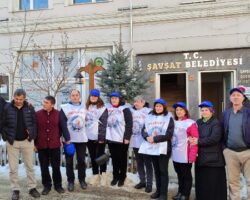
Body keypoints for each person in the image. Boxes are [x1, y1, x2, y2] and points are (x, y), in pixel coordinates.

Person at [1, 89, 40, 200]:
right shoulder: (7, 108)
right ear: (13, 97)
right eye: (17, 99)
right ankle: (15, 190)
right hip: (13, 142)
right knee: (13, 168)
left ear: (24, 98)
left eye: (21, 99)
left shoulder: (29, 107)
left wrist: (32, 135)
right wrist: (6, 136)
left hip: (27, 142)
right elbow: (2, 123)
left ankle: (32, 188)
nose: (18, 101)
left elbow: (34, 123)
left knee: (30, 167)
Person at [190, 101, 227, 200]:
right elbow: (193, 134)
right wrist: (191, 138)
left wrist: (198, 141)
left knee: (213, 183)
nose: (204, 112)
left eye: (206, 110)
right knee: (202, 182)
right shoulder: (198, 122)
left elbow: (214, 139)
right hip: (201, 158)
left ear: (211, 111)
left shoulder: (216, 123)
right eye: (202, 110)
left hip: (213, 159)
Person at [139, 98, 174, 200]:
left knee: (163, 171)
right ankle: (158, 191)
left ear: (164, 107)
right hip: (152, 148)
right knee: (157, 171)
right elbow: (143, 130)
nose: (158, 108)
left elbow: (169, 134)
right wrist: (147, 137)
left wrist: (155, 138)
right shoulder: (149, 116)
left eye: (160, 106)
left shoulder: (168, 117)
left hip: (164, 148)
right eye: (156, 106)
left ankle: (163, 194)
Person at [35, 96, 68, 195]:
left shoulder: (59, 114)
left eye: (46, 102)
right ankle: (46, 186)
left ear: (52, 104)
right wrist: (34, 143)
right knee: (44, 167)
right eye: (44, 102)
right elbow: (35, 130)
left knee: (56, 167)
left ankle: (58, 185)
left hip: (55, 145)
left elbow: (63, 128)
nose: (44, 104)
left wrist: (67, 139)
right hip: (42, 145)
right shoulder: (37, 114)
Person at [222, 87, 250, 200]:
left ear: (243, 98)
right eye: (233, 95)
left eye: (238, 95)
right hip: (230, 153)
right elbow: (222, 131)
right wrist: (224, 149)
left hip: (247, 152)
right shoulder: (225, 114)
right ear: (230, 98)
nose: (236, 97)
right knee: (233, 182)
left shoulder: (248, 112)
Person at [60, 89, 88, 192]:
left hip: (82, 139)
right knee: (69, 162)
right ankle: (70, 181)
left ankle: (82, 180)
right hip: (69, 140)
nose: (75, 97)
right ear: (70, 97)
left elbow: (89, 121)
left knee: (81, 161)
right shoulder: (65, 108)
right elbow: (62, 124)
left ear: (79, 96)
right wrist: (67, 139)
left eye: (76, 95)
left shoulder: (85, 107)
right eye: (73, 95)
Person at [171, 102, 199, 200]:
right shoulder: (173, 122)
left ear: (185, 111)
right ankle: (180, 192)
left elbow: (195, 140)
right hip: (175, 153)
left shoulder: (190, 123)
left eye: (181, 110)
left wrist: (192, 155)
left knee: (186, 175)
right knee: (179, 174)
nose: (178, 112)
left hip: (185, 154)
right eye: (177, 110)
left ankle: (185, 194)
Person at [106, 91, 133, 187]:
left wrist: (127, 137)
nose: (113, 100)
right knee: (114, 158)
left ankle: (122, 177)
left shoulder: (125, 109)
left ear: (119, 99)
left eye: (116, 98)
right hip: (111, 138)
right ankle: (115, 176)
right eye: (112, 98)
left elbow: (129, 124)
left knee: (122, 159)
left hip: (122, 139)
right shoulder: (108, 108)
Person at [130, 96, 153, 193]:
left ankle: (149, 184)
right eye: (134, 102)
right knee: (139, 163)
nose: (136, 103)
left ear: (143, 103)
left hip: (145, 142)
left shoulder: (149, 111)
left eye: (138, 102)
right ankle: (142, 181)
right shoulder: (131, 111)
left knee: (148, 163)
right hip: (135, 141)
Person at [85, 89, 108, 186]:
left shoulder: (102, 108)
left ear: (98, 97)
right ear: (89, 97)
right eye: (92, 96)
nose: (93, 97)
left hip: (99, 137)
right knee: (93, 156)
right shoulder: (87, 107)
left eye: (95, 96)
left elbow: (103, 124)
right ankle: (95, 174)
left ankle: (103, 174)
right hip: (89, 136)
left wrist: (102, 137)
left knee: (101, 156)